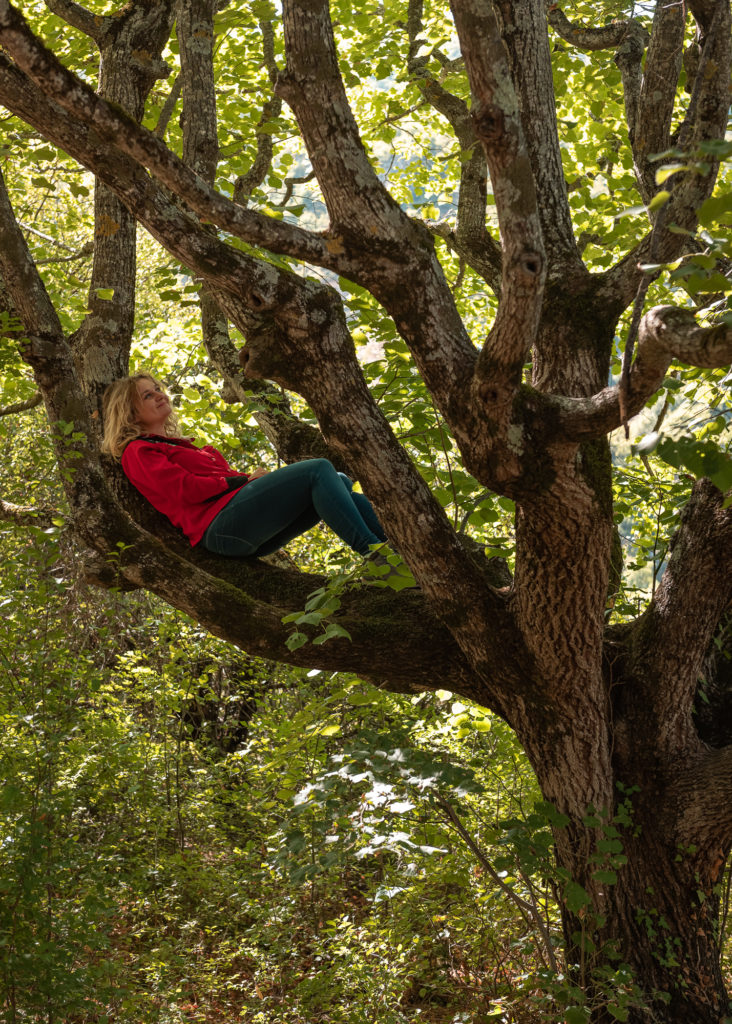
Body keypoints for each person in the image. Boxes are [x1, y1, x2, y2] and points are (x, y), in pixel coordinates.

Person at [101, 373, 393, 565]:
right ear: (128, 412)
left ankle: (402, 556)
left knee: (338, 481)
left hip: (241, 527)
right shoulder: (139, 451)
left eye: (157, 390)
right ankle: (380, 561)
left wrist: (242, 481)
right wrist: (243, 480)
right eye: (147, 396)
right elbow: (183, 490)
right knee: (318, 470)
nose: (160, 395)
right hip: (220, 530)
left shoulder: (184, 447)